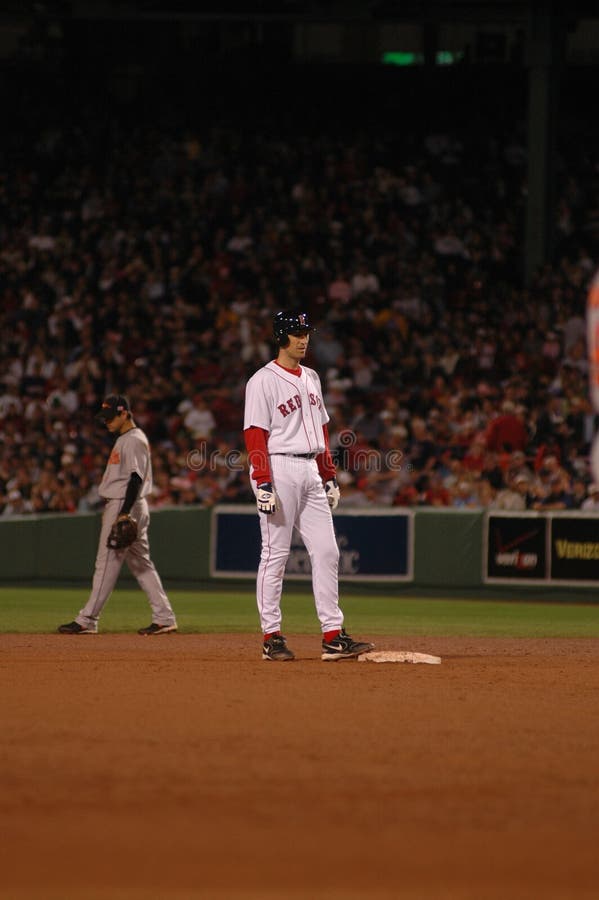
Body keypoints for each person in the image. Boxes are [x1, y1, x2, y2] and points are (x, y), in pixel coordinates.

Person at [243, 310, 374, 662]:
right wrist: (263, 481)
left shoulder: (312, 377)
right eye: (296, 333)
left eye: (305, 333)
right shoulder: (262, 380)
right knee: (275, 555)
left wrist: (329, 474)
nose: (303, 339)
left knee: (328, 551)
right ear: (281, 337)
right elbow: (255, 434)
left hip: (311, 470)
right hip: (279, 466)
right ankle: (271, 637)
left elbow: (322, 430)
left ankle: (333, 636)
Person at [58, 394, 178, 635]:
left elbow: (135, 478)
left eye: (111, 417)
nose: (107, 422)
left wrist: (123, 513)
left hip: (125, 503)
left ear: (125, 413)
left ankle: (87, 619)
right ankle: (164, 617)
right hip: (131, 504)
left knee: (106, 563)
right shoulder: (128, 438)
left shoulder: (132, 439)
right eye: (105, 418)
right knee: (141, 563)